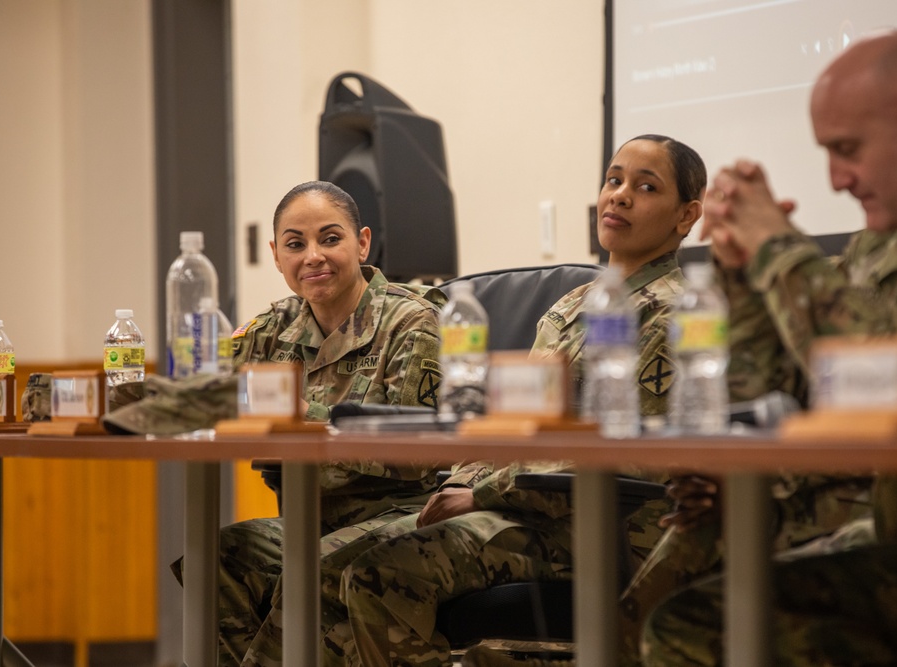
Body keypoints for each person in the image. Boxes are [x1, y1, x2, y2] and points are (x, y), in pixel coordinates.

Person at [644, 30, 897, 666]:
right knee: (681, 574)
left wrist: (779, 248)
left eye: (848, 150)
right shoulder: (889, 237)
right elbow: (776, 392)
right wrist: (741, 274)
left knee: (701, 625)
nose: (836, 180)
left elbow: (888, 385)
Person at [329, 134, 706, 667]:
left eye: (645, 187)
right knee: (331, 568)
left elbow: (626, 455)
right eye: (613, 180)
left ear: (686, 215)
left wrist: (480, 496)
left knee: (380, 571)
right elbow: (511, 424)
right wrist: (461, 481)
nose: (619, 196)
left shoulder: (673, 315)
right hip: (521, 510)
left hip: (600, 530)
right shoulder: (570, 306)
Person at [179, 180, 475, 667]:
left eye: (330, 239)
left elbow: (418, 451)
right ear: (277, 256)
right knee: (216, 559)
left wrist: (295, 417)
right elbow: (205, 397)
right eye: (295, 244)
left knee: (313, 570)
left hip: (402, 514)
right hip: (308, 519)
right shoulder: (271, 329)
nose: (313, 256)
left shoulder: (412, 322)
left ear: (361, 242)